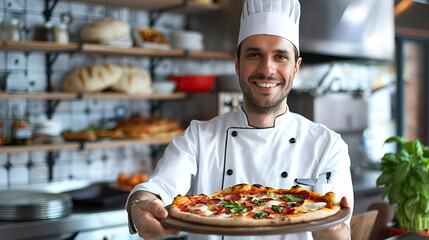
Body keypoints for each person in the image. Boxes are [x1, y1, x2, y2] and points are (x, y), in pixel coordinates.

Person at [126, 0, 354, 239]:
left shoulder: (328, 145)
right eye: (254, 54)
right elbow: (157, 188)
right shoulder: (199, 137)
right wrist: (140, 205)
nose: (267, 69)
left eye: (280, 56)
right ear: (237, 63)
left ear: (296, 67)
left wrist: (333, 227)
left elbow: (337, 233)